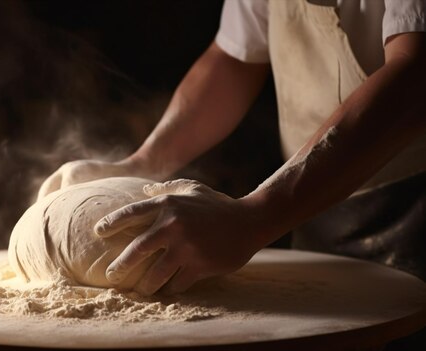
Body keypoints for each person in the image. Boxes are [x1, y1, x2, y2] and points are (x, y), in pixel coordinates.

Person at [38, 0, 426, 297]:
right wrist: (144, 163)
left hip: (413, 214)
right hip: (309, 206)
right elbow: (234, 59)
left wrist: (255, 217)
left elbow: (415, 78)